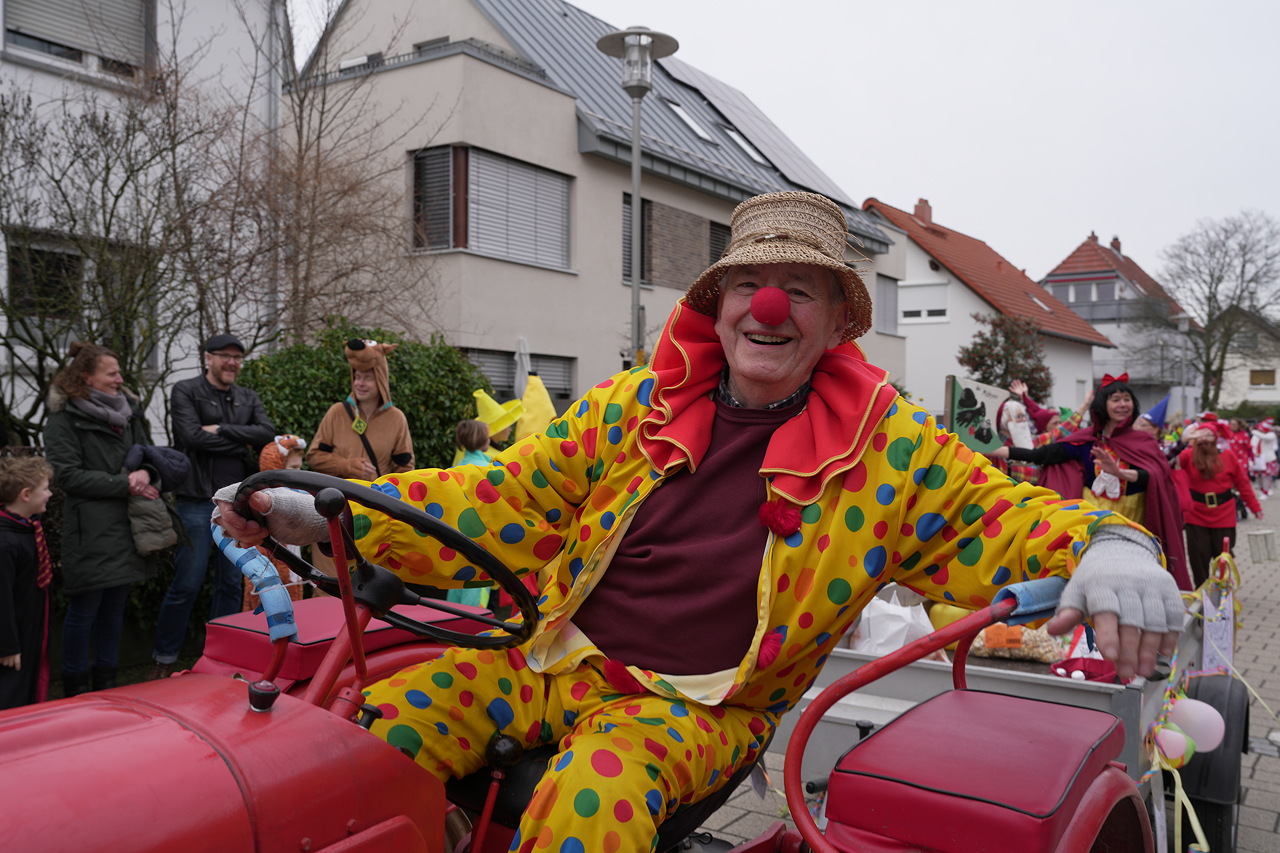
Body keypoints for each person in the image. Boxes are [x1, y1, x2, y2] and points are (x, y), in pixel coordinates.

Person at [215, 191, 1184, 852]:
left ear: (836, 319)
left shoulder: (887, 447)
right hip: (542, 655)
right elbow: (500, 498)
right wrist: (325, 516)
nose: (769, 306)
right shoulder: (636, 405)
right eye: (750, 287)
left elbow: (995, 516)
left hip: (691, 707)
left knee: (588, 805)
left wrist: (1109, 542)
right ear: (716, 306)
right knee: (365, 735)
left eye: (798, 289)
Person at [990, 372, 1190, 590]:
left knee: (1128, 575)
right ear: (1103, 404)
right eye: (1116, 400)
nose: (1123, 405)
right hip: (1092, 519)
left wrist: (1120, 473)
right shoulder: (1087, 440)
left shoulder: (1143, 441)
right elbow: (1044, 454)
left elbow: (1153, 477)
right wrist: (997, 450)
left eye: (1127, 399)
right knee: (1095, 574)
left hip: (1131, 519)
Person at [150, 334, 275, 680]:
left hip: (236, 502)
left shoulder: (247, 396)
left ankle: (220, 657)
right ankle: (164, 657)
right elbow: (190, 436)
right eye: (225, 356)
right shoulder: (186, 390)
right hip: (196, 499)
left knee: (231, 584)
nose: (232, 362)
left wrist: (221, 428)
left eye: (237, 357)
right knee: (187, 583)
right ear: (209, 358)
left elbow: (266, 432)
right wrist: (239, 440)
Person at [44, 343, 164, 695]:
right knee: (84, 612)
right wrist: (124, 483)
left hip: (128, 525)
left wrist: (145, 471)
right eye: (111, 373)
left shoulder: (129, 412)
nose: (120, 378)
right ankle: (75, 689)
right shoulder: (63, 420)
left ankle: (108, 687)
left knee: (115, 610)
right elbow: (66, 475)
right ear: (86, 377)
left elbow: (148, 453)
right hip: (90, 531)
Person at [307, 339, 414, 481]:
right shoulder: (337, 412)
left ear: (381, 381)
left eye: (368, 378)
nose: (359, 384)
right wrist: (346, 466)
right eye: (357, 377)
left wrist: (388, 492)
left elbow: (405, 469)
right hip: (339, 498)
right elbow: (313, 457)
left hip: (376, 500)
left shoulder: (396, 418)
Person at [0, 456, 54, 708]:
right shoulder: (6, 541)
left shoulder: (27, 527)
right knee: (11, 691)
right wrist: (7, 645)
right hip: (12, 639)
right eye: (45, 489)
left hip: (29, 624)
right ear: (25, 494)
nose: (50, 494)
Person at [1178, 424, 1261, 587]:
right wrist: (1182, 441)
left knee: (1223, 558)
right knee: (1198, 558)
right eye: (1199, 434)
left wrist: (1255, 507)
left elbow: (1242, 483)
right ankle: (1202, 594)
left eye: (1208, 434)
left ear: (1216, 437)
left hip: (1224, 514)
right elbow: (1166, 465)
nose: (1203, 438)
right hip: (1196, 515)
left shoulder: (1228, 456)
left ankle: (1223, 593)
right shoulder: (1186, 456)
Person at [242, 435, 308, 611]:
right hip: (270, 574)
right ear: (276, 469)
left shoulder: (295, 496)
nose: (298, 472)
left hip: (291, 572)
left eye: (299, 467)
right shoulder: (261, 507)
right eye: (293, 467)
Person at [1251, 418, 1277, 497]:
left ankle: (1266, 491)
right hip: (1258, 459)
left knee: (1266, 476)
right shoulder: (1256, 436)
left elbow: (1265, 438)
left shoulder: (1271, 435)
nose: (1260, 430)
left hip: (1268, 459)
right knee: (1259, 477)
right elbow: (1252, 445)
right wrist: (1255, 453)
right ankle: (1262, 490)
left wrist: (1253, 431)